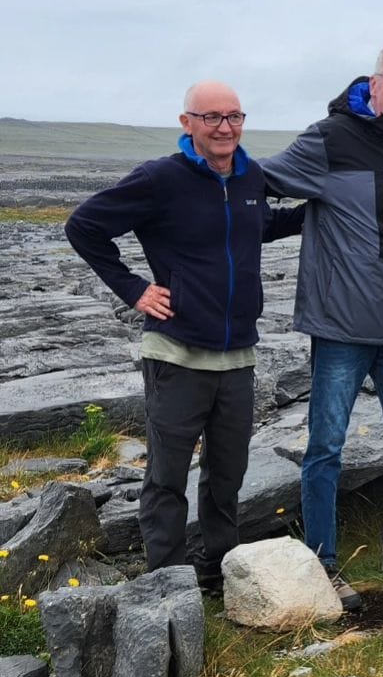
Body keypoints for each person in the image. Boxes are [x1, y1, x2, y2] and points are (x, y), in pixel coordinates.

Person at [65, 81, 305, 593]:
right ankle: (168, 580)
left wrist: (320, 212)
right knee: (166, 477)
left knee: (228, 475)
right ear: (187, 122)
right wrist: (133, 289)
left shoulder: (250, 176)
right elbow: (84, 225)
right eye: (212, 117)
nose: (225, 127)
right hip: (176, 353)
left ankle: (222, 571)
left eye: (234, 117)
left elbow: (255, 226)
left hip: (238, 355)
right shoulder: (159, 179)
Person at [260, 37, 383, 611]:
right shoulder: (329, 137)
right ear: (374, 80)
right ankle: (322, 562)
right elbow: (265, 178)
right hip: (339, 326)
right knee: (325, 447)